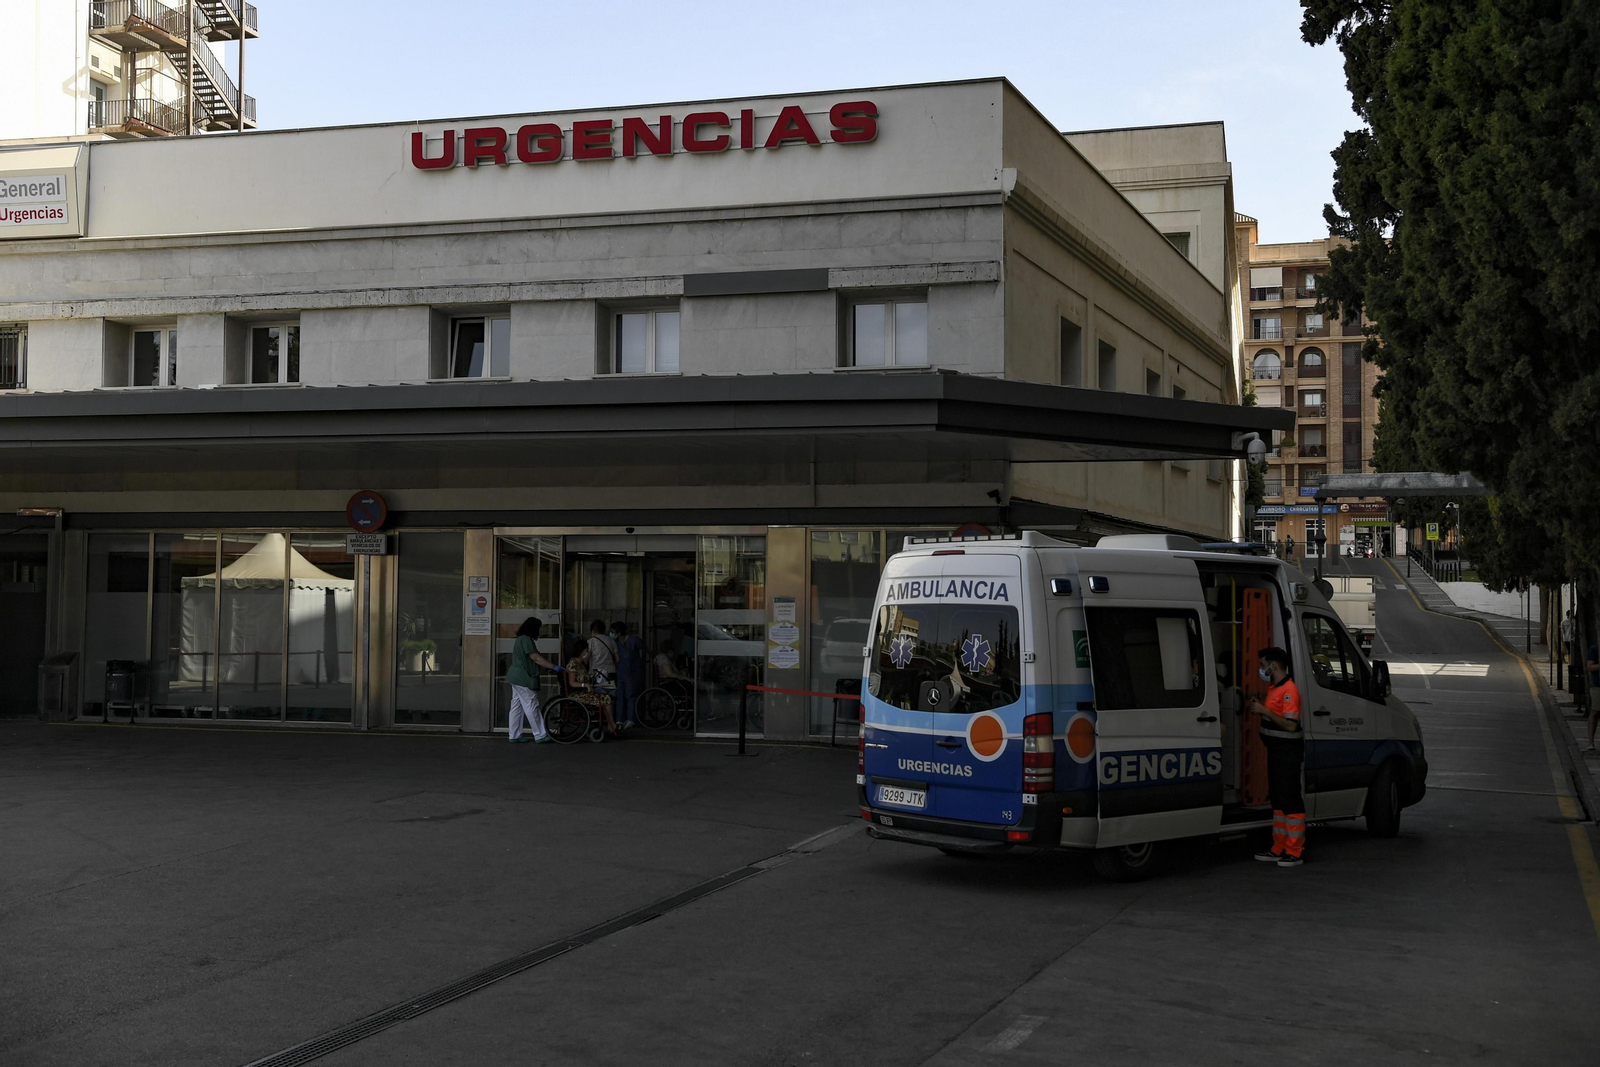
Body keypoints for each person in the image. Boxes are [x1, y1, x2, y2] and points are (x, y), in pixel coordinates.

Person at [1247, 646, 1306, 867]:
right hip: (1276, 753)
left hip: (1287, 754)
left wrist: (1265, 712)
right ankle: (1279, 847)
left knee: (1290, 800)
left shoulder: (1289, 690)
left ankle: (1295, 850)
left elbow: (1291, 726)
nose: (1261, 669)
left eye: (1263, 665)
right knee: (1279, 801)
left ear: (1274, 666)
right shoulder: (1275, 688)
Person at [506, 617, 562, 744]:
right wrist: (553, 666)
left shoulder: (520, 639)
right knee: (531, 704)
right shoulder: (526, 639)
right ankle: (540, 734)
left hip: (515, 676)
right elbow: (535, 657)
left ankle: (514, 735)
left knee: (516, 706)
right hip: (523, 677)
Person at [579, 619, 622, 737]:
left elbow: (586, 659)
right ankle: (610, 723)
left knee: (600, 698)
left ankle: (603, 723)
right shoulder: (611, 641)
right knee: (610, 699)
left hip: (597, 675)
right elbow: (618, 659)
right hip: (611, 674)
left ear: (593, 630)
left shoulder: (591, 642)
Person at [611, 620, 647, 728]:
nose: (611, 634)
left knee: (630, 696)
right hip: (621, 672)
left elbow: (646, 649)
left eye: (613, 632)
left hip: (633, 672)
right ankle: (619, 720)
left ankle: (631, 719)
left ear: (619, 632)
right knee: (620, 696)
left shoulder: (634, 640)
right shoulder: (616, 643)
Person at [1586, 641, 1599, 752]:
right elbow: (1589, 667)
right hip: (1598, 686)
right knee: (1595, 712)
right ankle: (1591, 742)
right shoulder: (1595, 648)